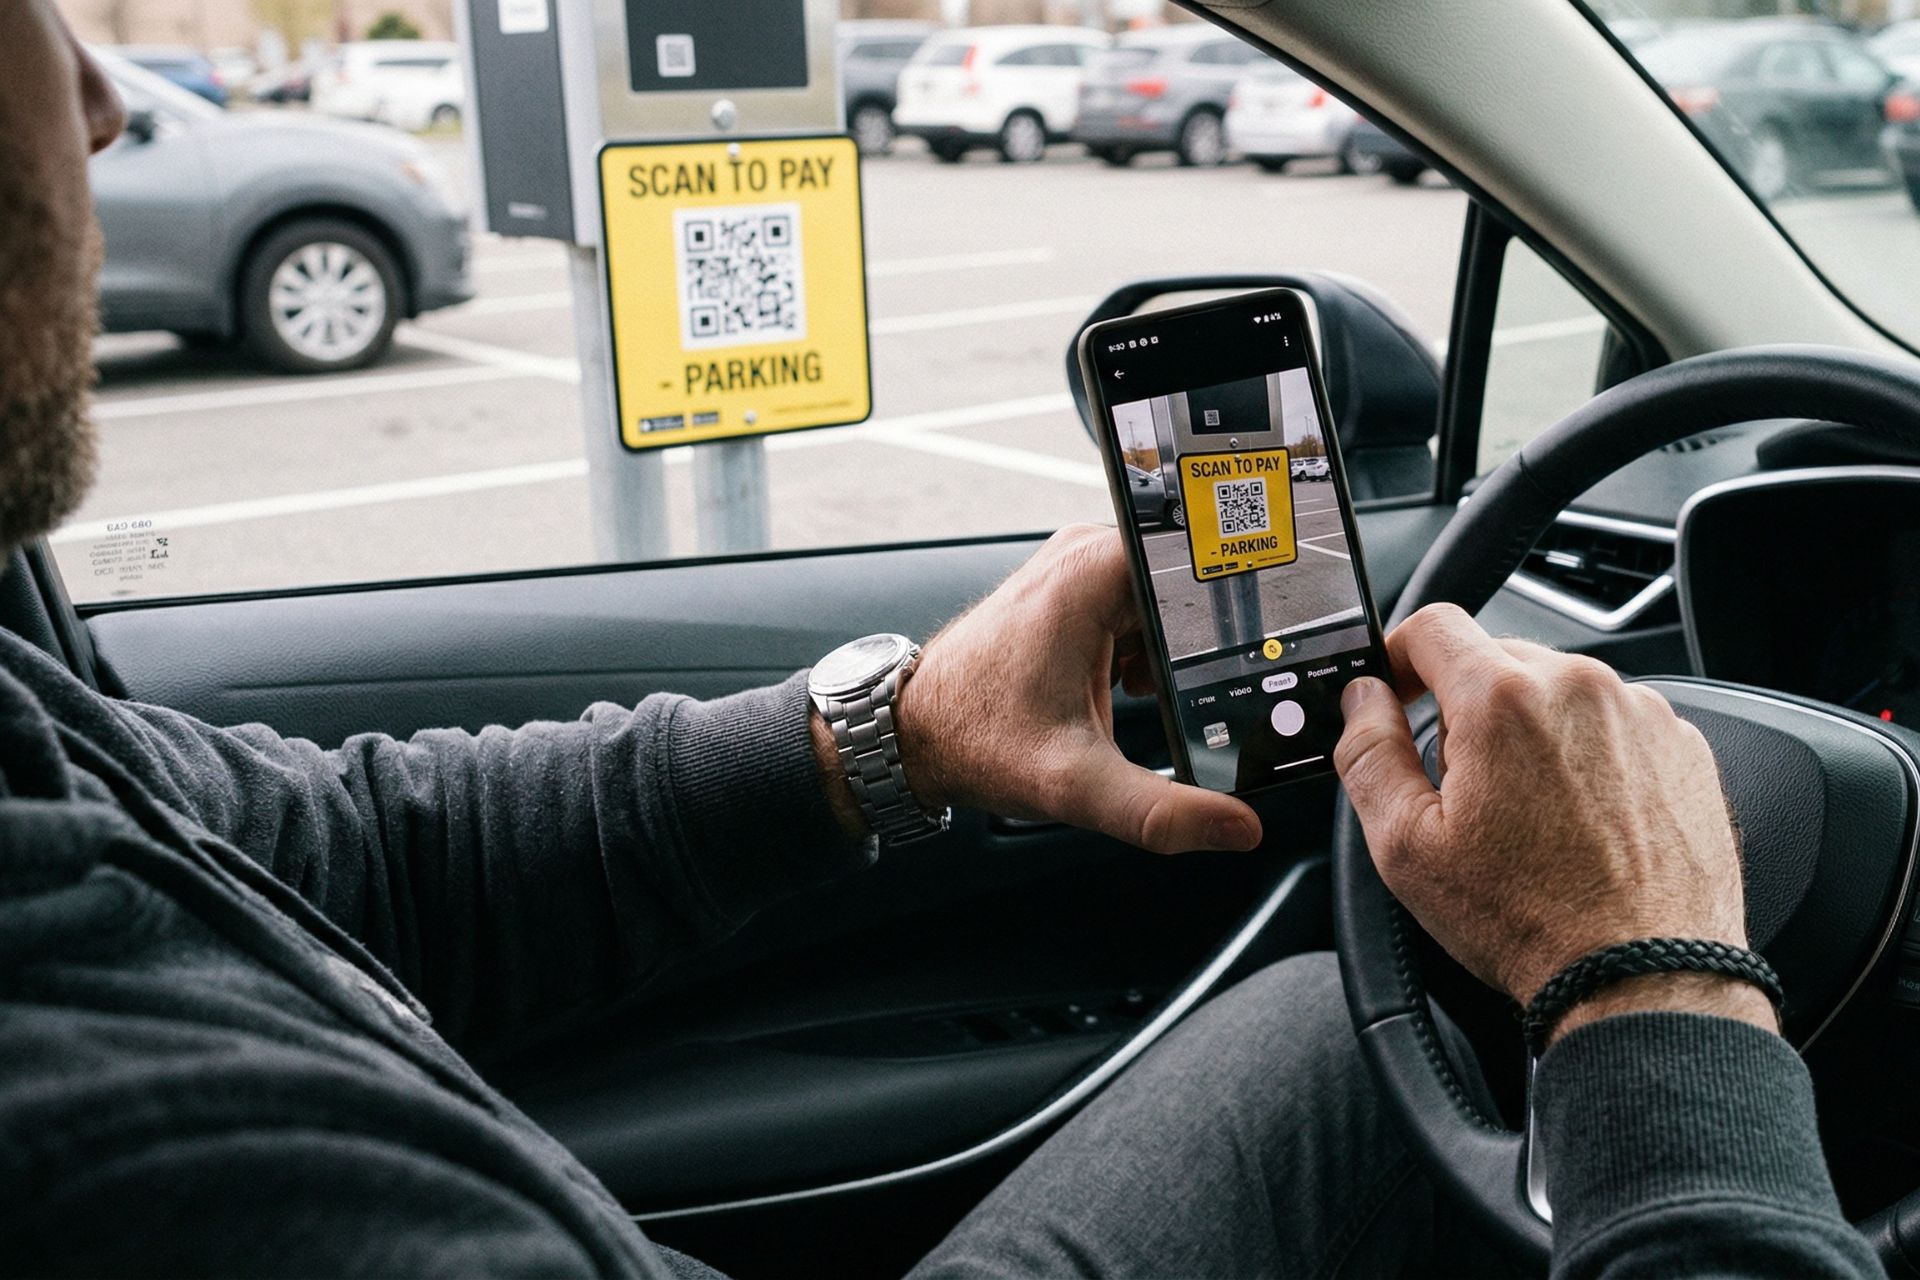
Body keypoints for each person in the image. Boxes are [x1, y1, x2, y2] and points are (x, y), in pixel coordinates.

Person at [0, 6, 1879, 1277]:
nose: (94, 99)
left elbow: (339, 862)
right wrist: (1658, 996)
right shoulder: (120, 1145)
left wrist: (890, 732)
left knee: (1323, 1034)